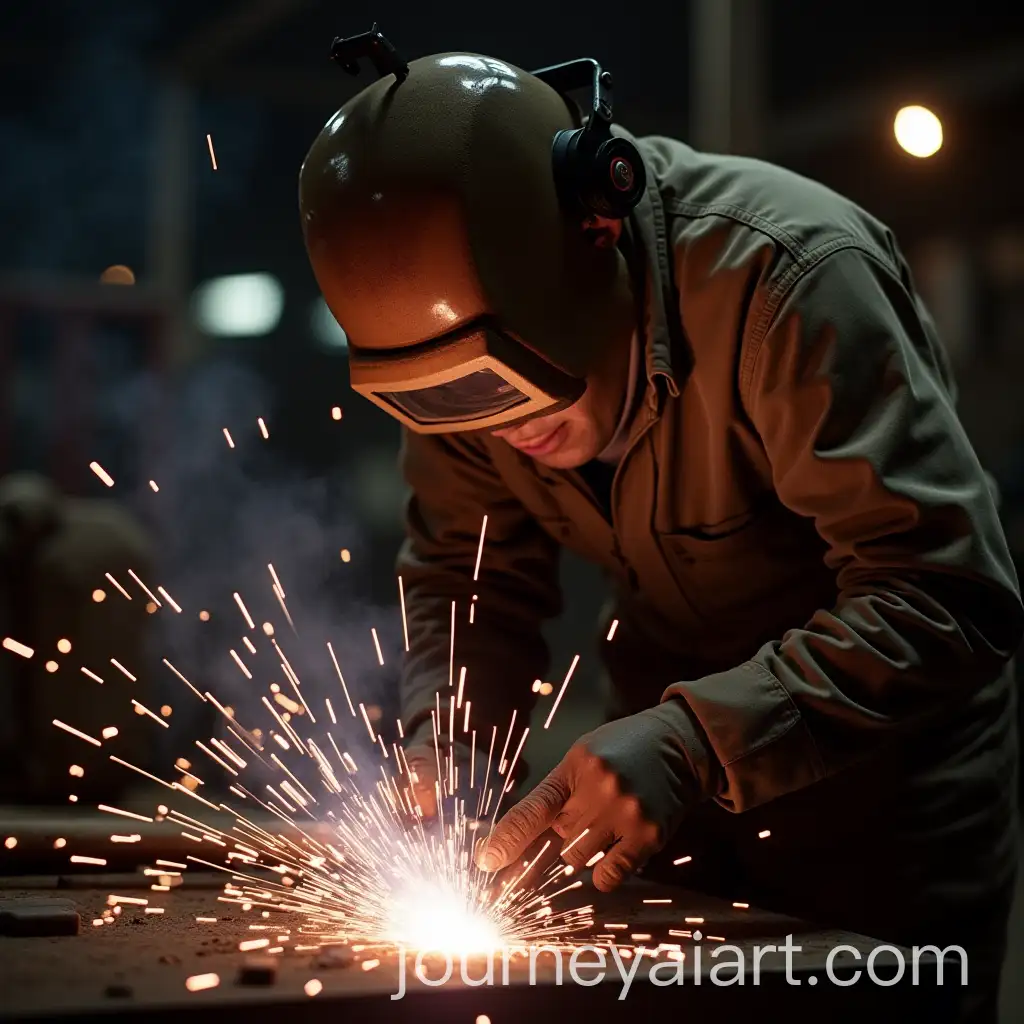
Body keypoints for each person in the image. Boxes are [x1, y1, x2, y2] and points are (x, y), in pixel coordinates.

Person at [299, 39, 1022, 1021]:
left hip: (883, 824)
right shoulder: (453, 372)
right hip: (656, 823)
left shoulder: (789, 280)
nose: (502, 433)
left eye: (518, 390)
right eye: (458, 411)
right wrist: (449, 746)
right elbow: (469, 581)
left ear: (598, 225)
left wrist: (691, 742)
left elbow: (948, 596)